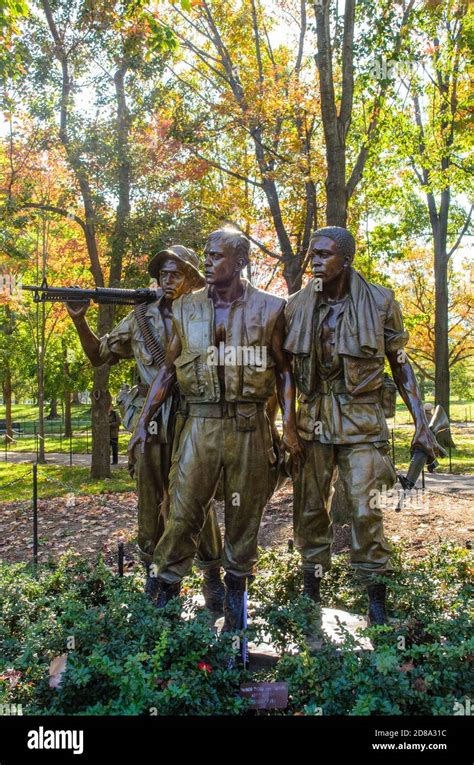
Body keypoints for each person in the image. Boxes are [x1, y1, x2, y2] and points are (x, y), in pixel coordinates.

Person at [129, 227, 303, 630]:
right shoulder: (186, 308)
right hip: (201, 424)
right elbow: (168, 372)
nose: (206, 262)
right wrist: (143, 422)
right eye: (205, 255)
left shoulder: (272, 308)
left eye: (216, 256)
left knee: (244, 522)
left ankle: (237, 623)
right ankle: (161, 613)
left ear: (240, 262)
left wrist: (290, 427)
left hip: (249, 428)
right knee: (182, 513)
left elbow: (285, 374)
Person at [284, 226, 442, 624]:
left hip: (362, 420)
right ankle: (311, 601)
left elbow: (400, 363)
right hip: (313, 421)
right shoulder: (295, 305)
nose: (314, 261)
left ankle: (377, 608)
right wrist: (284, 424)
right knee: (309, 511)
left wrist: (421, 422)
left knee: (365, 509)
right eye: (311, 254)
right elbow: (282, 371)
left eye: (323, 254)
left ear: (346, 259)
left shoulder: (381, 301)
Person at [65, 246, 224, 612]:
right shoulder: (140, 318)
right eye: (163, 274)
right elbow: (98, 356)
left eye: (176, 274)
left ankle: (212, 576)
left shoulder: (204, 314)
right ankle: (154, 577)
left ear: (192, 279)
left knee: (196, 497)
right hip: (150, 421)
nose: (167, 281)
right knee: (150, 499)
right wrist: (78, 320)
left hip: (194, 417)